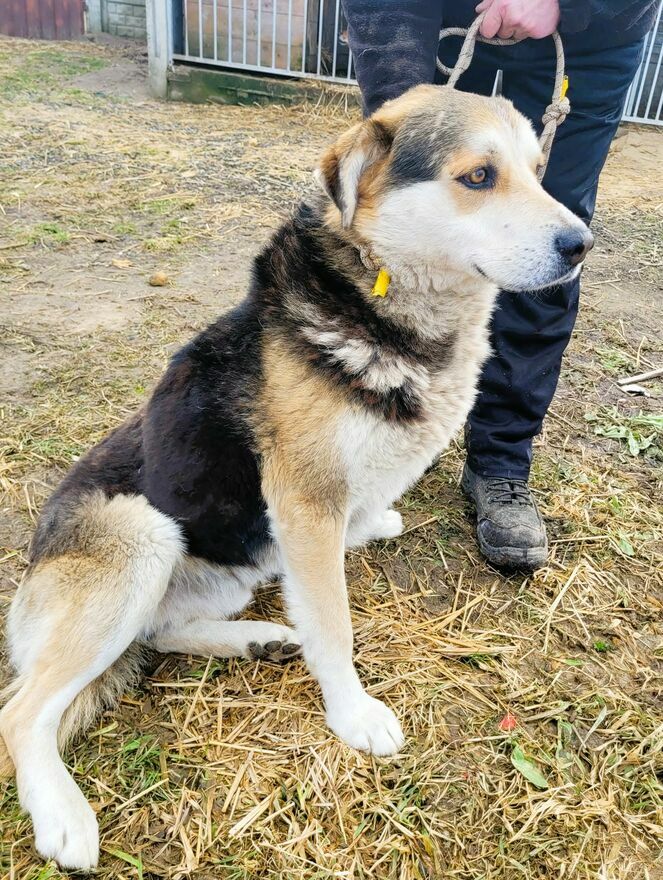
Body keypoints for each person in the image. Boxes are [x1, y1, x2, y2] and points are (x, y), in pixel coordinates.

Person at [341, 0, 658, 570]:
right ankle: (401, 426)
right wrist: (401, 115)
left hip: (592, 34)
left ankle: (500, 461)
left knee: (547, 239)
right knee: (413, 222)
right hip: (431, 15)